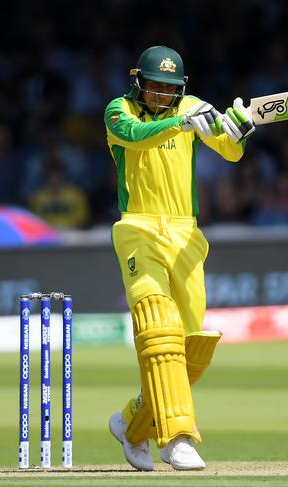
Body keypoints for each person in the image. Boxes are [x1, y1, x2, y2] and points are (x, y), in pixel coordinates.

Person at [104, 46, 255, 471]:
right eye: (153, 86)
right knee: (158, 324)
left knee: (190, 349)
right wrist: (182, 121)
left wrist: (239, 130)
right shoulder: (119, 110)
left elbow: (230, 151)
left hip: (186, 233)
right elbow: (135, 136)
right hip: (138, 228)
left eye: (169, 89)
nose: (160, 94)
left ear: (180, 88)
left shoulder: (194, 107)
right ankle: (177, 438)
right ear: (139, 82)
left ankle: (133, 424)